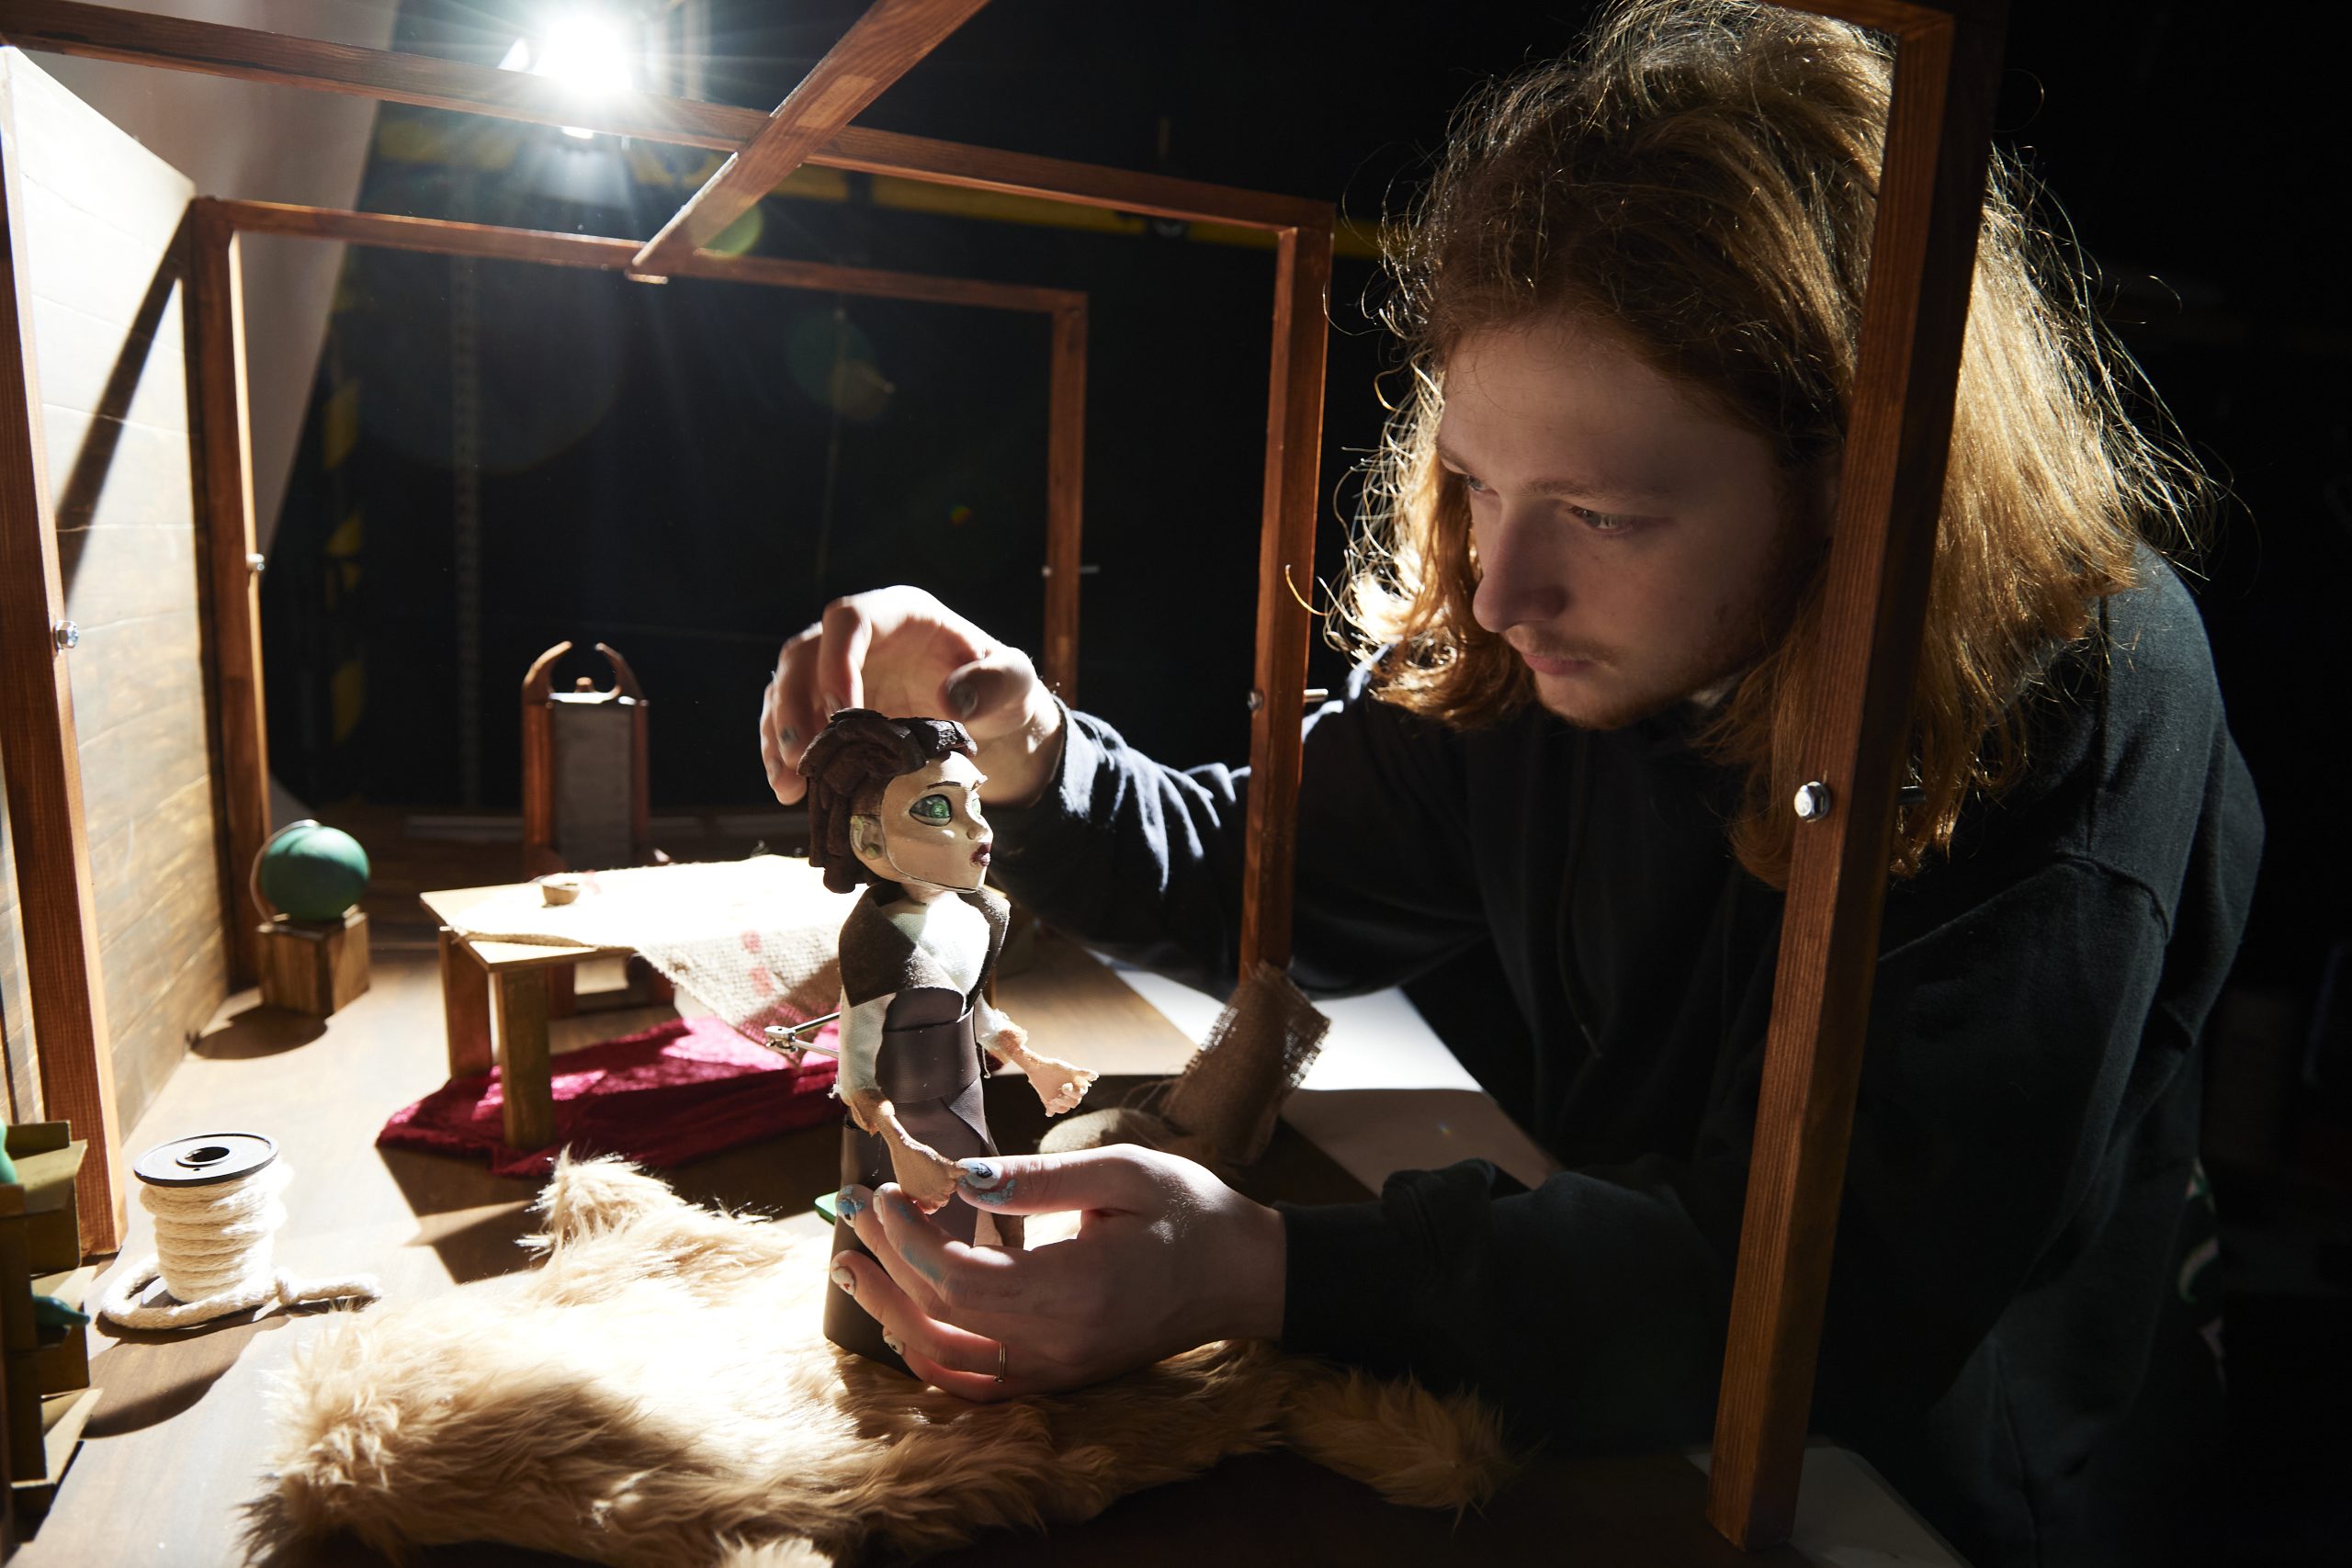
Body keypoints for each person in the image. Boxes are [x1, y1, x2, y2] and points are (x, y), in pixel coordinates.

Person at [759, 4, 2260, 1562]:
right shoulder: (1552, 654)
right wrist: (1028, 748)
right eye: (1476, 486)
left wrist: (1264, 1271)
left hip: (1936, 1484)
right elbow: (1256, 873)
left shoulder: (2064, 696)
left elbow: (1832, 1297)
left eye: (1602, 512)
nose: (1498, 591)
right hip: (1629, 1374)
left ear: (1857, 474)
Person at [796, 708, 1095, 1370]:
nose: (980, 830)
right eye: (937, 808)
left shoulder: (982, 913)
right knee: (894, 1232)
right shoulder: (873, 937)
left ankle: (985, 1312)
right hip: (901, 1116)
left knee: (983, 1215)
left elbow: (978, 1009)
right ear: (870, 843)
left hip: (965, 1095)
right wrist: (900, 1145)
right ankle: (885, 1329)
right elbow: (856, 1072)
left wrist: (1031, 1060)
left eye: (975, 800)